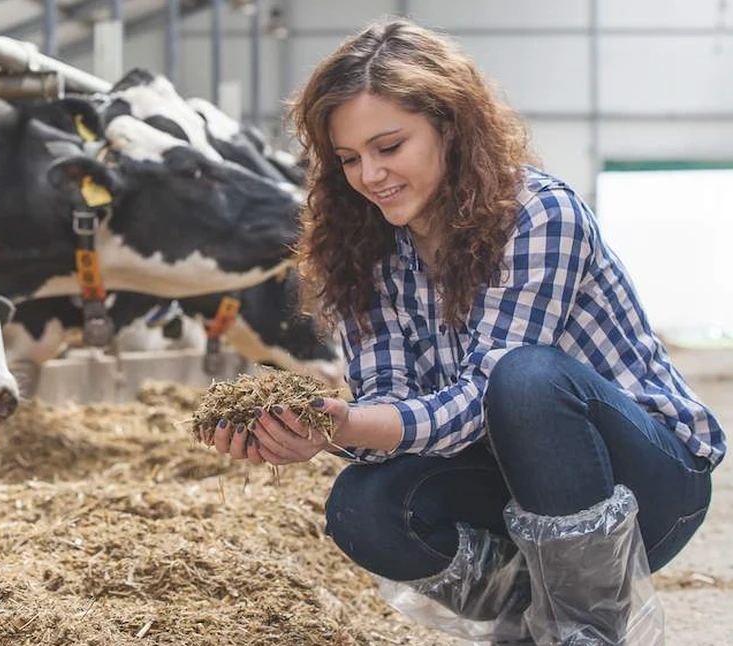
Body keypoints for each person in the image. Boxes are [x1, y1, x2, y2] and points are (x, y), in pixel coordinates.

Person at [201, 15, 725, 646]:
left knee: (525, 379)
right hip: (509, 485)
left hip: (644, 486)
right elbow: (391, 403)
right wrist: (321, 429)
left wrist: (350, 423)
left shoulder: (538, 214)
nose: (369, 176)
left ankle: (587, 631)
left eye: (389, 147)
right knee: (360, 506)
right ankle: (531, 621)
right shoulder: (366, 246)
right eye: (348, 158)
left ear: (450, 127)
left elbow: (485, 397)